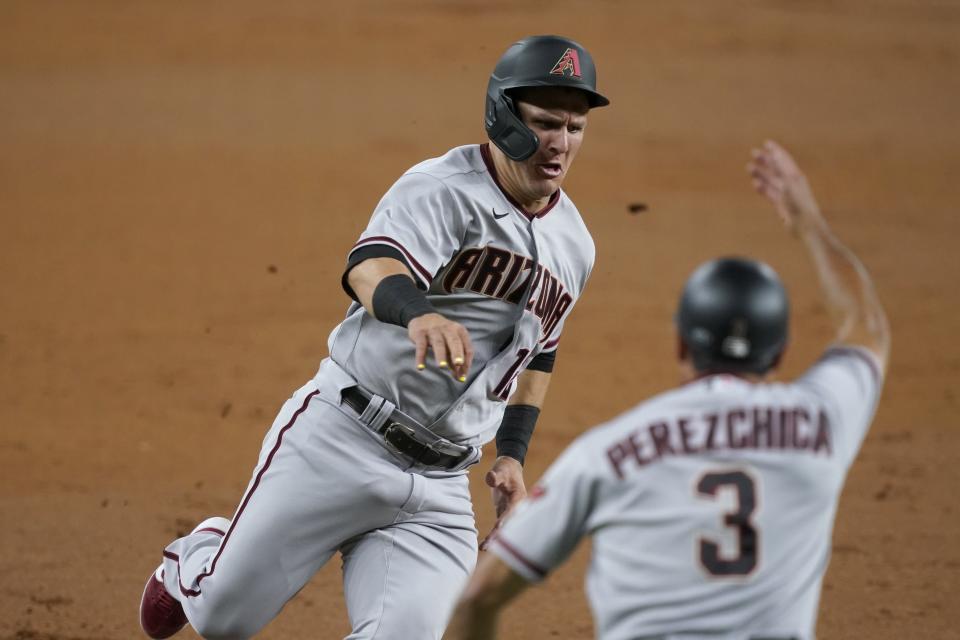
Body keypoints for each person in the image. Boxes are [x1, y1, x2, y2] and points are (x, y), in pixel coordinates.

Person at [138, 34, 610, 640]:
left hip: (440, 491)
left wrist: (513, 457)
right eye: (546, 123)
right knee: (225, 619)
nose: (561, 144)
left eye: (574, 127)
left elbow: (540, 350)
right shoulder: (441, 187)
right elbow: (371, 264)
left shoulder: (578, 244)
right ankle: (199, 555)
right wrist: (417, 312)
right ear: (504, 116)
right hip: (343, 439)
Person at [447, 141, 890, 640]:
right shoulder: (822, 422)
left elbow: (479, 598)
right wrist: (807, 220)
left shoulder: (608, 452)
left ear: (681, 344)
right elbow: (867, 328)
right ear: (782, 352)